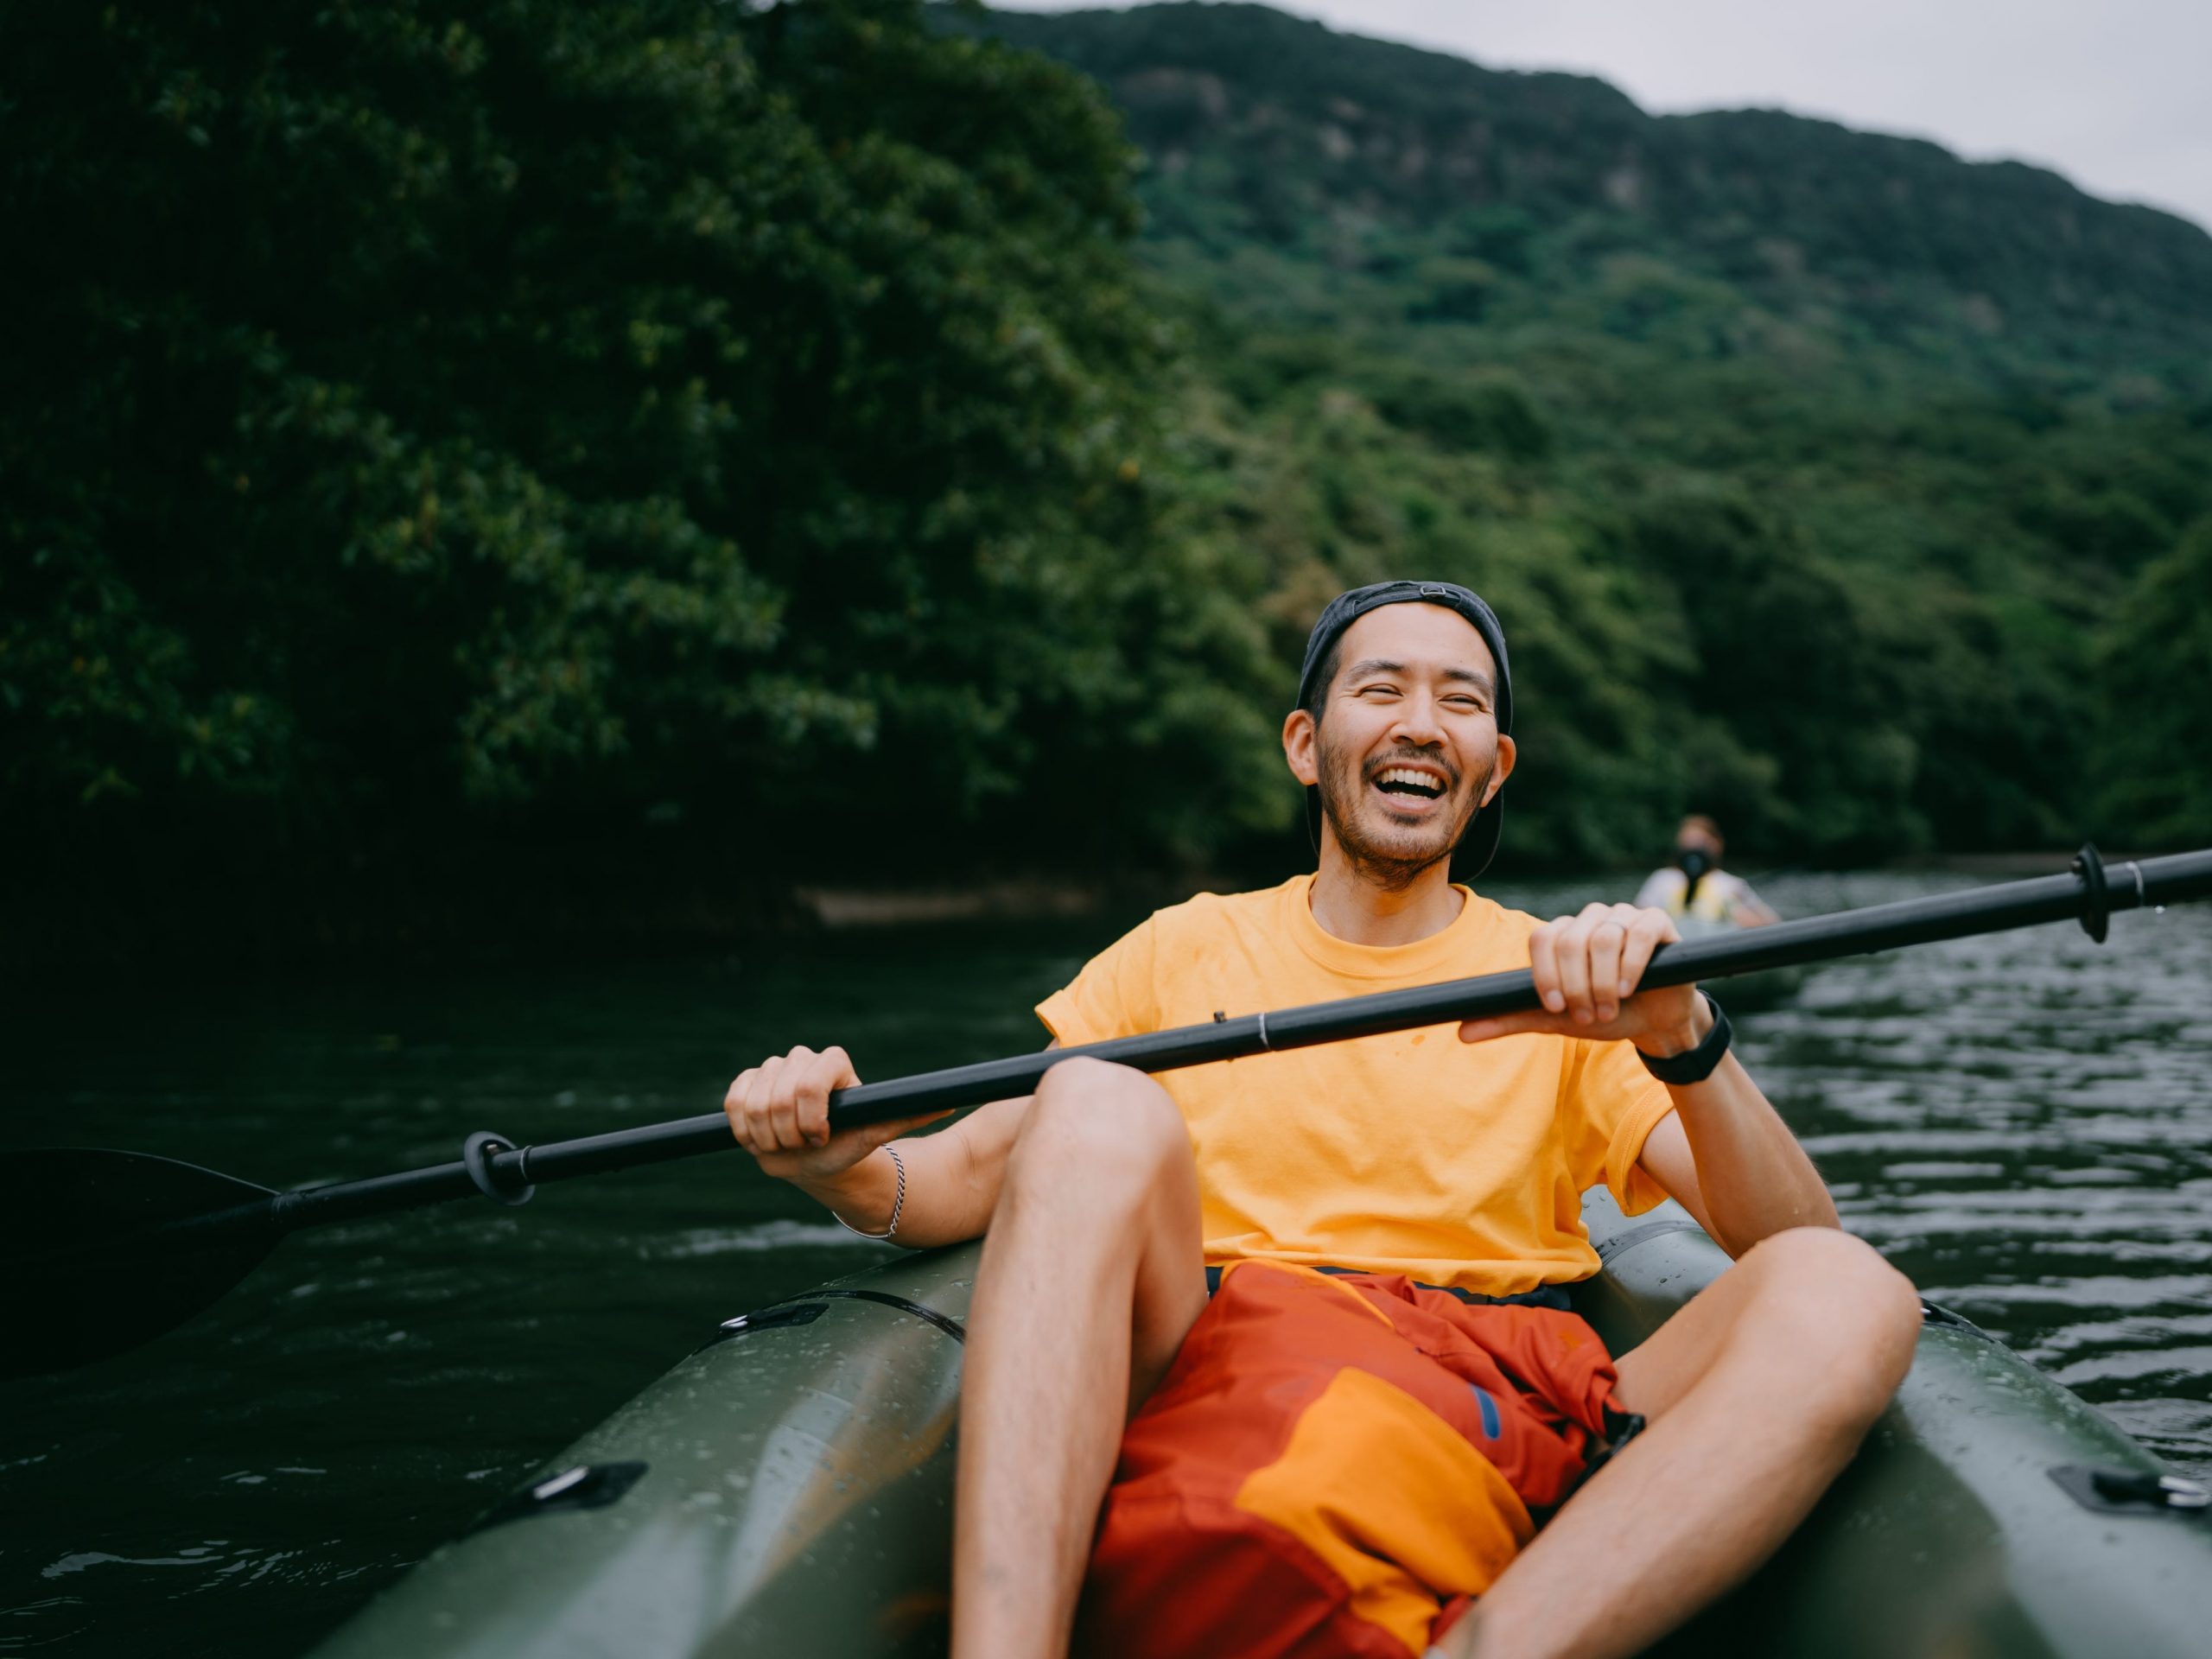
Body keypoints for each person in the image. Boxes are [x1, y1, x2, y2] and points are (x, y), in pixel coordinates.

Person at [723, 581, 1920, 1659]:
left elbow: (1789, 1244)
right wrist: (837, 1166)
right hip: (1220, 1363)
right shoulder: (1182, 946)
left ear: (1492, 767)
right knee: (1088, 1095)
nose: (1419, 723)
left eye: (1460, 701)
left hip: (1497, 1386)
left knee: (1858, 1293)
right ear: (1308, 745)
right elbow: (955, 1175)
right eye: (1381, 688)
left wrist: (1680, 1035)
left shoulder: (1566, 977)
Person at [1635, 815, 1780, 927]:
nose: (1693, 849)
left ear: (1717, 844)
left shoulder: (1733, 885)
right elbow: (1637, 917)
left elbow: (1773, 924)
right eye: (1687, 843)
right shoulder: (1662, 879)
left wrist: (1742, 918)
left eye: (1700, 842)